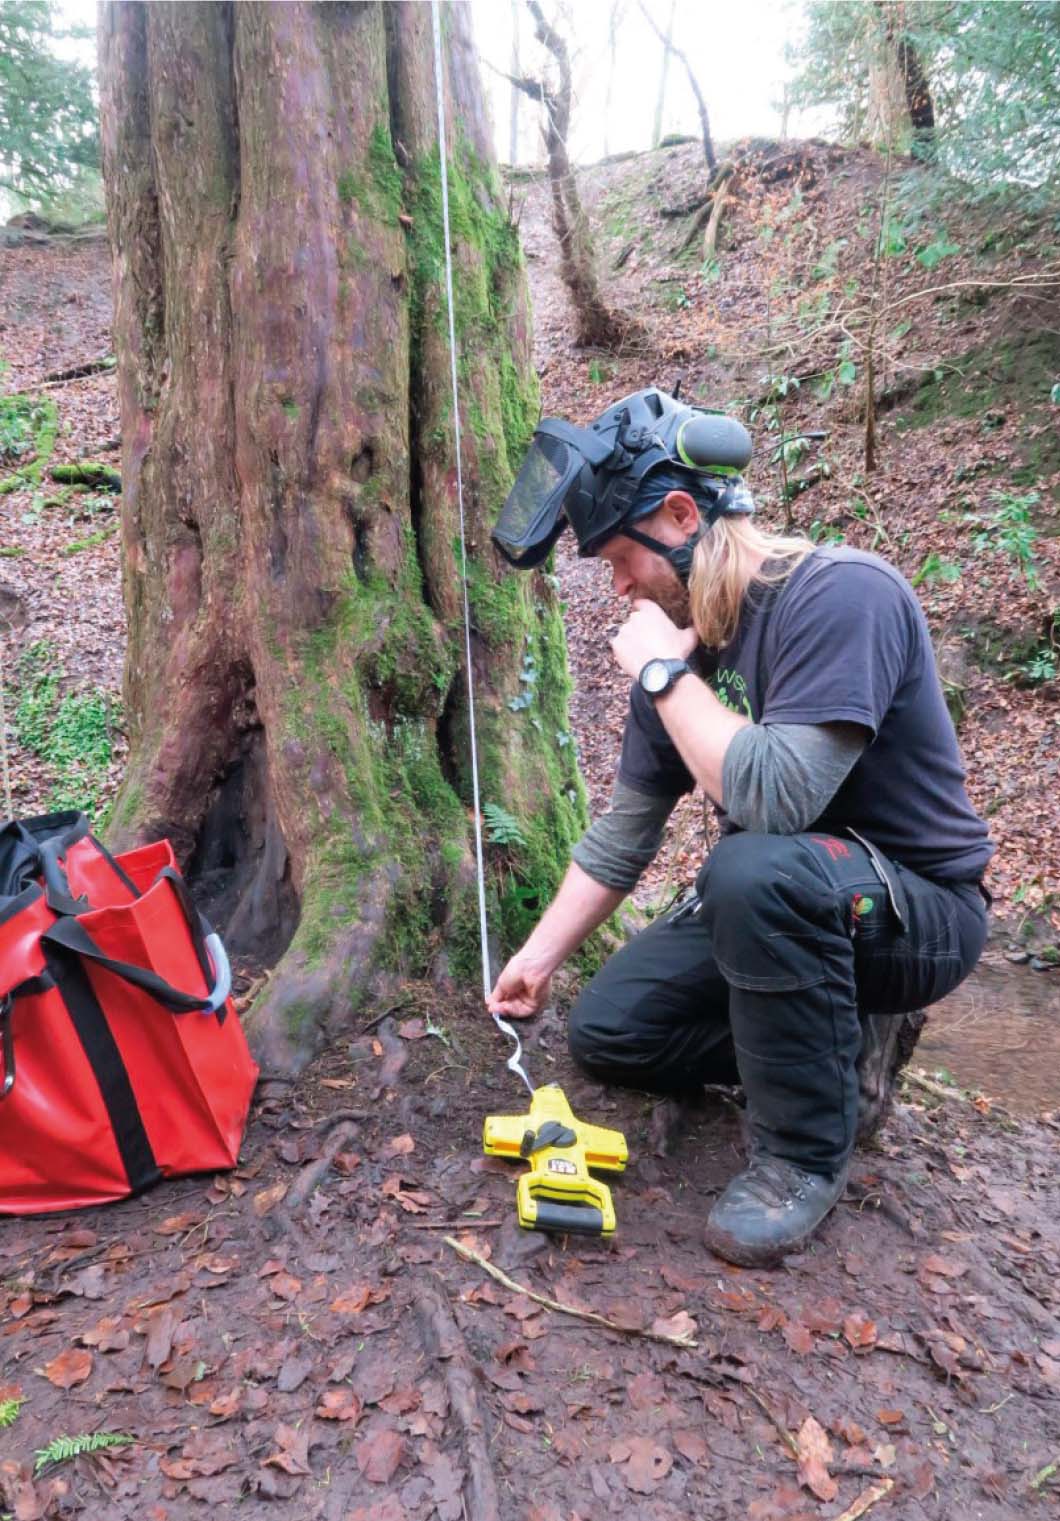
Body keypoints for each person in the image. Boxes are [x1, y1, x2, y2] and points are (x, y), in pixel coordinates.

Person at [487, 387, 993, 1267]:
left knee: (751, 868)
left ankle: (802, 1154)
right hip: (798, 899)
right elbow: (623, 836)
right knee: (612, 1027)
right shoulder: (684, 652)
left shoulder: (840, 595)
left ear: (681, 515)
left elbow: (778, 795)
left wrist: (657, 675)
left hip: (920, 911)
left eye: (619, 559)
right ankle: (828, 1049)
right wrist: (536, 961)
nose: (616, 586)